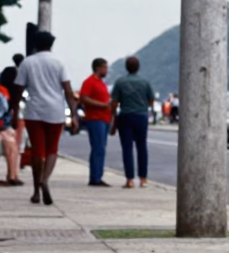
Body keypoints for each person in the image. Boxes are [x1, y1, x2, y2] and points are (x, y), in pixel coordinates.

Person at [11, 31, 79, 205]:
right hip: (55, 111)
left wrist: (14, 111)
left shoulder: (28, 62)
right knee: (52, 150)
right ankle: (45, 180)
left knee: (37, 151)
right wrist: (74, 115)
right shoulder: (59, 63)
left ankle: (35, 191)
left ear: (35, 44)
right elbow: (68, 91)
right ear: (51, 44)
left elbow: (18, 89)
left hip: (34, 112)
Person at [110, 56, 156, 189]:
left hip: (125, 116)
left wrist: (113, 117)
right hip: (141, 116)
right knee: (142, 147)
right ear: (138, 67)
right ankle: (143, 179)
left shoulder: (120, 82)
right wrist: (142, 105)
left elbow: (114, 102)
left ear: (126, 67)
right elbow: (151, 100)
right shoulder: (145, 82)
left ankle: (129, 179)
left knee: (127, 148)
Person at [78, 58, 113, 186]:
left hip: (104, 119)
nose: (106, 70)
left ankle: (98, 175)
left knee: (101, 148)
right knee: (98, 148)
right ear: (98, 68)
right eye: (105, 67)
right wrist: (102, 105)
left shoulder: (102, 83)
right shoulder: (89, 82)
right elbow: (84, 98)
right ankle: (95, 177)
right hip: (95, 118)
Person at [0, 64, 22, 185]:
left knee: (13, 142)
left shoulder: (8, 93)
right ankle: (12, 175)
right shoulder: (1, 93)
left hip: (2, 126)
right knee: (11, 143)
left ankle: (13, 174)